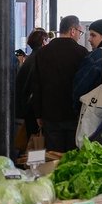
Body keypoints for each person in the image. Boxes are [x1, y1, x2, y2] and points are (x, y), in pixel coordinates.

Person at [28, 16, 88, 152]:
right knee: (73, 155)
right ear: (72, 31)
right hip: (73, 113)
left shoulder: (43, 52)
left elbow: (36, 85)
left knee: (53, 155)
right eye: (80, 32)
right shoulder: (82, 52)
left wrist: (38, 113)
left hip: (50, 113)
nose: (79, 36)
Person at [16, 28, 49, 148]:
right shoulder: (39, 59)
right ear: (43, 41)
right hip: (32, 109)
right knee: (35, 141)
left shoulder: (30, 59)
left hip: (26, 108)